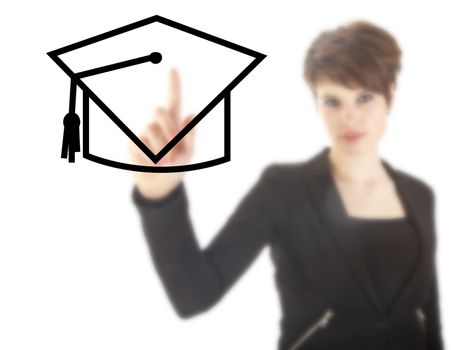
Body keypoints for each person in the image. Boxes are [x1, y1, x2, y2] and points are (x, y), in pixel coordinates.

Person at [128, 20, 444, 350]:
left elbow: (429, 319)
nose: (349, 117)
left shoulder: (420, 195)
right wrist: (159, 194)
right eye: (333, 101)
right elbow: (193, 295)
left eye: (364, 98)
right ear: (316, 103)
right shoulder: (284, 190)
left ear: (390, 95)